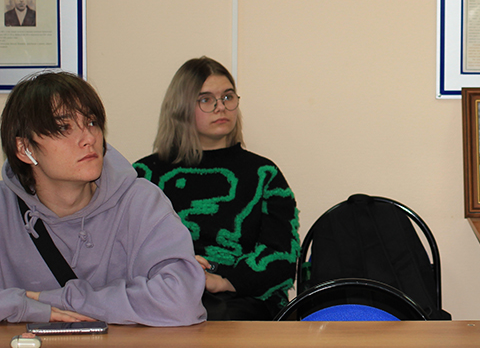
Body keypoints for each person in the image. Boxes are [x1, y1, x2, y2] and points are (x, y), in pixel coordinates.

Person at [0, 71, 206, 325]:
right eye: (63, 127)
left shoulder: (140, 201)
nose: (89, 138)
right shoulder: (4, 209)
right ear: (25, 149)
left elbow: (181, 301)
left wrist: (55, 300)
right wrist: (23, 307)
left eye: (91, 123)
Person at [133, 57, 299, 321]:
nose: (221, 107)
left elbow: (281, 257)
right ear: (181, 108)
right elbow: (123, 250)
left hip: (241, 301)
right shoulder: (144, 175)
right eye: (206, 99)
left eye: (228, 97)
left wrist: (223, 281)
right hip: (165, 293)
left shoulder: (263, 174)